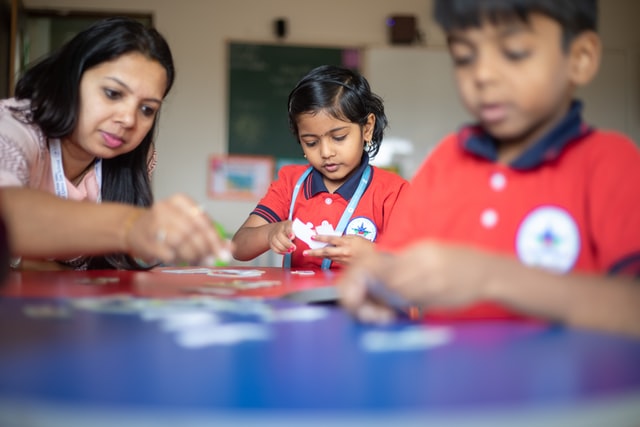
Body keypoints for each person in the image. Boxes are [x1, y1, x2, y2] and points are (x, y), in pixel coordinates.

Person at [337, 0, 640, 337]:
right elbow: (391, 262)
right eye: (465, 57)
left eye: (514, 51)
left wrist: (492, 277)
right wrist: (371, 279)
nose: (482, 75)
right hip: (446, 384)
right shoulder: (447, 160)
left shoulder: (611, 163)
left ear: (580, 58)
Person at [0, 17, 231, 270]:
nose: (128, 119)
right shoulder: (13, 127)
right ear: (70, 78)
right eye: (112, 93)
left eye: (146, 109)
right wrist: (131, 224)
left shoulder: (136, 157)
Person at [232, 65, 408, 269]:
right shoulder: (291, 183)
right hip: (297, 301)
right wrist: (269, 233)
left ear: (367, 128)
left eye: (339, 137)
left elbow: (417, 266)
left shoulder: (394, 192)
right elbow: (238, 248)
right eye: (311, 142)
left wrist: (373, 255)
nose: (326, 152)